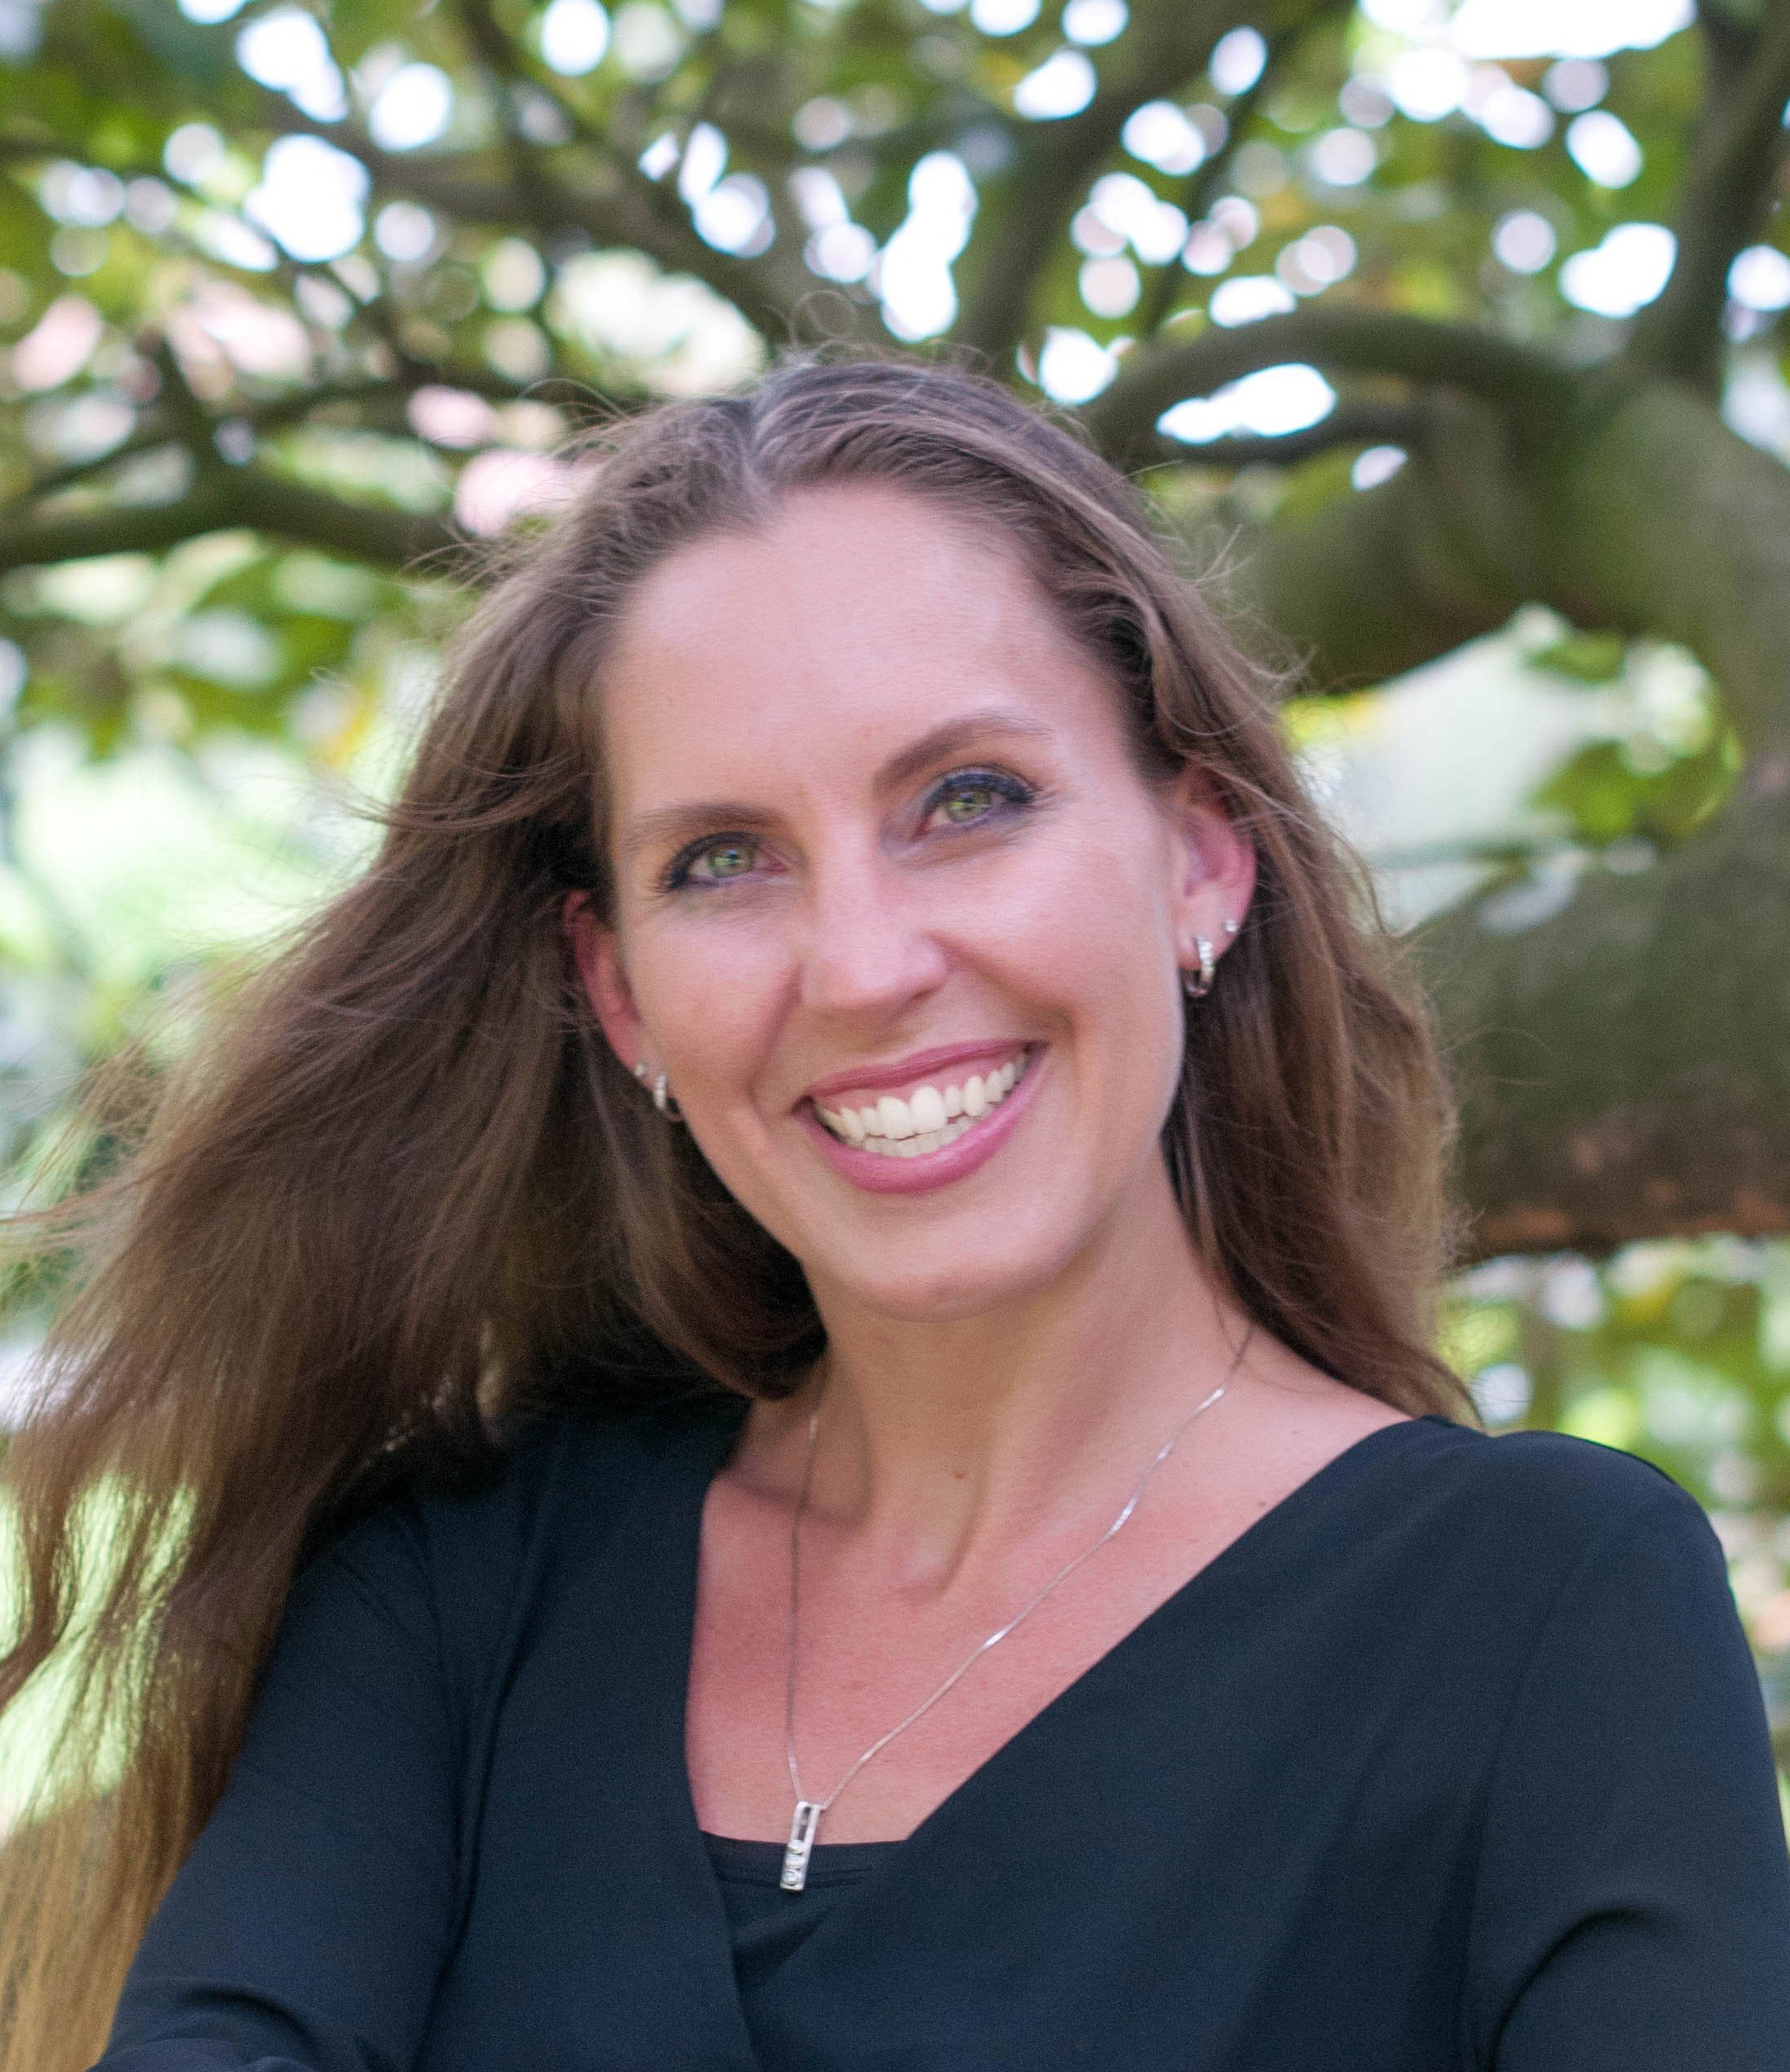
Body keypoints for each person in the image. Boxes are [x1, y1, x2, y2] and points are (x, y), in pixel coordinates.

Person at [2, 357, 1786, 2072]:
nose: (862, 966)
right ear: (620, 995)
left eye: (968, 800)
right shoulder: (461, 1585)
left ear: (1202, 857)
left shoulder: (1546, 1613)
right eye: (725, 860)